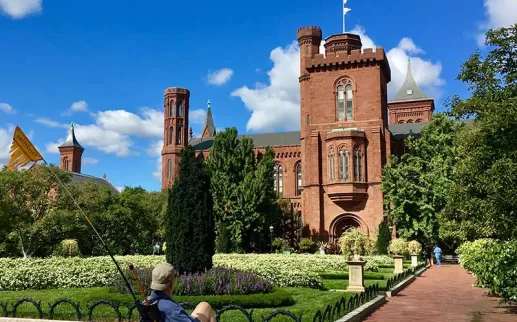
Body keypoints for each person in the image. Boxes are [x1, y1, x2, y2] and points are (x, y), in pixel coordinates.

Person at [148, 263, 216, 322]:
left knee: (204, 305)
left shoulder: (147, 302)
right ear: (171, 283)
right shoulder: (173, 310)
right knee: (206, 306)